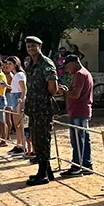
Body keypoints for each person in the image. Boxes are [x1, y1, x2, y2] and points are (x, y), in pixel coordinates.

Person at [24, 36, 59, 185]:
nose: (31, 48)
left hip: (42, 108)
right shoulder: (31, 64)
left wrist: (44, 98)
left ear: (40, 46)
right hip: (33, 108)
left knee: (43, 139)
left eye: (33, 46)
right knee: (37, 139)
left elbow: (53, 87)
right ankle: (46, 171)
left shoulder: (46, 63)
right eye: (28, 46)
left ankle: (43, 173)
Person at [58, 55, 94, 177]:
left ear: (74, 63)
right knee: (84, 138)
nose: (67, 70)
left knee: (77, 140)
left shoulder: (79, 74)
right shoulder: (85, 73)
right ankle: (86, 164)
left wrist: (64, 92)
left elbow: (76, 94)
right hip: (82, 110)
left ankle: (77, 166)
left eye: (67, 67)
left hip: (78, 111)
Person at [5, 57, 27, 156]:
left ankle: (22, 145)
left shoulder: (19, 75)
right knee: (16, 125)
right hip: (14, 97)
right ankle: (19, 144)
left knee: (19, 125)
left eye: (10, 64)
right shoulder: (16, 75)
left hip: (18, 98)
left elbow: (23, 89)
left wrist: (20, 101)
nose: (8, 66)